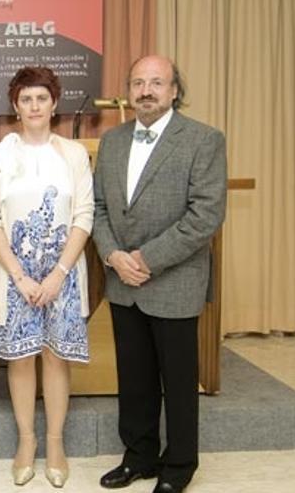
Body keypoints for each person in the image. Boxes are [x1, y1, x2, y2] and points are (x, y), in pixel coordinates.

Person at [93, 55, 227, 493]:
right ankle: (139, 456)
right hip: (122, 281)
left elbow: (205, 215)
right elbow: (99, 209)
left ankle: (179, 466)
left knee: (178, 381)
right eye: (137, 82)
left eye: (156, 82)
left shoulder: (203, 140)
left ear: (174, 91)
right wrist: (113, 256)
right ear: (128, 91)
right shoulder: (111, 141)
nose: (145, 90)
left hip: (173, 281)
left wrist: (145, 260)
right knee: (134, 379)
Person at [0, 67, 94, 488]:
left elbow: (84, 214)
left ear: (54, 103)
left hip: (62, 276)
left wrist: (59, 273)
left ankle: (56, 443)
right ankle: (26, 442)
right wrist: (20, 276)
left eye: (41, 99)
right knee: (21, 358)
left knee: (55, 357)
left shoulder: (74, 154)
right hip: (14, 277)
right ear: (15, 105)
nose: (34, 107)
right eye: (26, 99)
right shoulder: (0, 155)